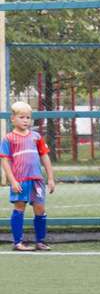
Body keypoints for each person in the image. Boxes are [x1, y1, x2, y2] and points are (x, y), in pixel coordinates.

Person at [0, 102, 55, 251]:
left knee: (40, 209)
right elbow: (4, 160)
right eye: (21, 117)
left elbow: (45, 157)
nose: (25, 120)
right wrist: (12, 181)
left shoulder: (36, 137)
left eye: (28, 117)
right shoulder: (8, 139)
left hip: (37, 181)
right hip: (20, 181)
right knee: (19, 208)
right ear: (13, 118)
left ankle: (40, 241)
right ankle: (18, 243)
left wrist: (50, 178)